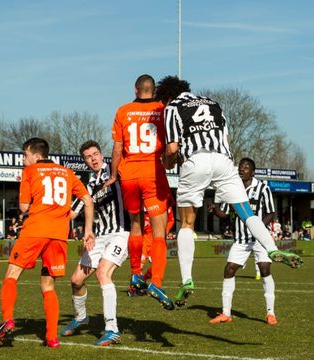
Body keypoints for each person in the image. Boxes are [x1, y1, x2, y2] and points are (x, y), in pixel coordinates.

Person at [155, 75, 303, 307]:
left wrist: (166, 162)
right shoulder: (213, 103)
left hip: (196, 160)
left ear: (167, 96)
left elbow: (172, 148)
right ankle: (273, 249)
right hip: (223, 160)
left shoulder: (172, 107)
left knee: (186, 222)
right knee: (247, 213)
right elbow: (226, 138)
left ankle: (187, 279)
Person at [0, 138, 95, 348]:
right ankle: (52, 338)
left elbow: (22, 207)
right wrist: (89, 230)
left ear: (36, 156)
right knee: (48, 286)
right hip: (58, 235)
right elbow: (88, 201)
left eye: (25, 155)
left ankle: (8, 319)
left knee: (11, 275)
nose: (23, 160)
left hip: (35, 230)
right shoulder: (67, 172)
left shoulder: (29, 172)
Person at [105, 74, 174, 310]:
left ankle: (135, 273)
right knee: (158, 232)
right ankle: (156, 282)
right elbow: (171, 145)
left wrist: (114, 175)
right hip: (152, 173)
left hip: (129, 175)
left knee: (135, 224)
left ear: (136, 90)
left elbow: (117, 149)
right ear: (153, 90)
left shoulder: (123, 111)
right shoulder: (162, 109)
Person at [61, 140, 130, 346]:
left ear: (102, 155)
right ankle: (81, 318)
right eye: (88, 157)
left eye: (96, 154)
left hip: (120, 233)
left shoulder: (116, 170)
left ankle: (112, 328)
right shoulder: (88, 186)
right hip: (98, 237)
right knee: (76, 280)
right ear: (85, 161)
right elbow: (72, 213)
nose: (93, 159)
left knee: (103, 273)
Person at [209, 158, 278, 325]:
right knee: (229, 269)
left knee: (264, 269)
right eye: (240, 167)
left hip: (260, 239)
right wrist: (215, 210)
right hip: (241, 239)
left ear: (253, 172)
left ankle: (270, 313)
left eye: (246, 167)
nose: (242, 169)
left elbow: (271, 212)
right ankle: (226, 313)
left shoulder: (263, 188)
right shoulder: (232, 188)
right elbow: (225, 213)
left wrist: (258, 228)